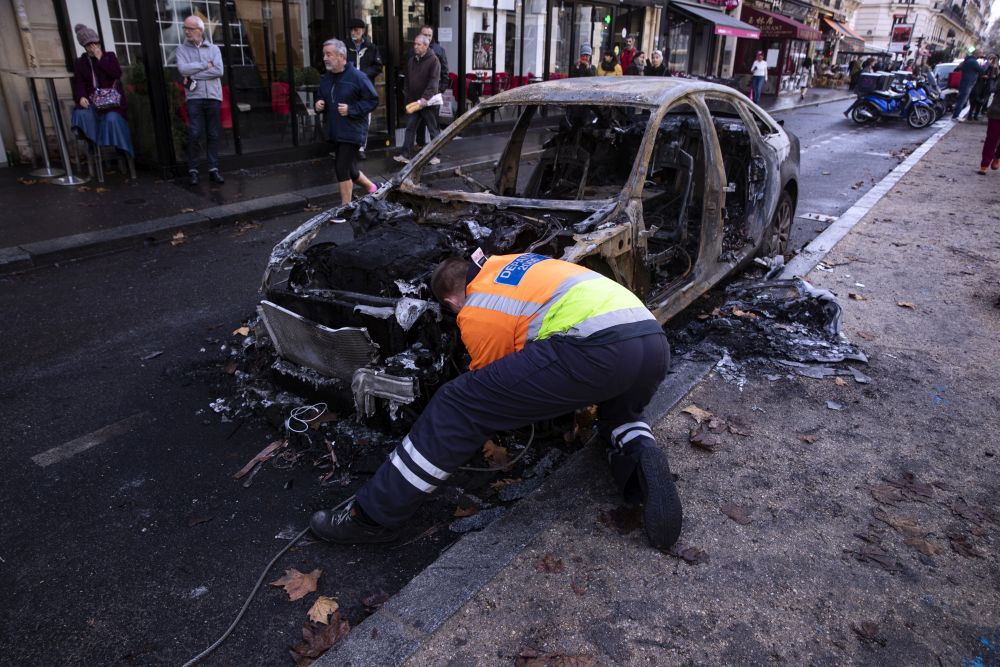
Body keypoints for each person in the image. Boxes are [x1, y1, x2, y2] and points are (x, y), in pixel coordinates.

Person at [310, 253, 683, 550]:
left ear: (452, 299)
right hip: (650, 341)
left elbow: (491, 389)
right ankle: (639, 452)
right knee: (618, 413)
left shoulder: (476, 310)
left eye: (452, 311)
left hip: (594, 350)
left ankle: (373, 517)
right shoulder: (513, 263)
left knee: (458, 404)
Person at [315, 39, 379, 205]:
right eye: (324, 54)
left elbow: (372, 100)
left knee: (341, 168)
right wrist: (319, 103)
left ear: (341, 56)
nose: (325, 58)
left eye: (329, 54)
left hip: (352, 130)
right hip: (335, 130)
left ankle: (346, 208)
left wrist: (351, 109)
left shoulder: (358, 77)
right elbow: (321, 94)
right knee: (350, 169)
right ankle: (373, 188)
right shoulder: (327, 78)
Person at [70, 23, 134, 165]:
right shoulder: (81, 62)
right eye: (89, 45)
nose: (93, 47)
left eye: (95, 43)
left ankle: (121, 150)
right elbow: (79, 82)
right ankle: (93, 143)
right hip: (93, 103)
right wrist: (81, 97)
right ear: (84, 46)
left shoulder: (109, 56)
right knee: (81, 114)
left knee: (112, 119)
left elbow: (116, 73)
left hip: (112, 104)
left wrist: (101, 59)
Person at [176, 15, 224, 185]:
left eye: (190, 28)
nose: (186, 31)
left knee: (213, 134)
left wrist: (193, 72)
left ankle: (213, 169)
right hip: (194, 97)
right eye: (185, 28)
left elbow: (219, 71)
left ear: (200, 30)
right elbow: (183, 69)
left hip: (213, 97)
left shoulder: (214, 49)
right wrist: (205, 65)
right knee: (195, 133)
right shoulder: (182, 50)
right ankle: (193, 170)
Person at [395, 34, 442, 164]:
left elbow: (433, 83)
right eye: (414, 44)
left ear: (426, 46)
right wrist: (407, 95)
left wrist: (424, 99)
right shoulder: (412, 60)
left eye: (418, 44)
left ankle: (435, 155)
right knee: (410, 127)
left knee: (432, 129)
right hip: (414, 101)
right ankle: (405, 154)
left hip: (427, 102)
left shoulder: (434, 60)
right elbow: (407, 81)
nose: (415, 46)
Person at [345, 18, 383, 160]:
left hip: (365, 89)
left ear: (363, 31)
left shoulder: (371, 47)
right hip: (349, 88)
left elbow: (378, 66)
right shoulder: (344, 46)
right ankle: (348, 147)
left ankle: (361, 147)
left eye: (357, 30)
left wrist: (363, 73)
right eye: (352, 30)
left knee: (365, 118)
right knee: (348, 116)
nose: (354, 32)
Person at [413, 25, 450, 152]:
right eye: (425, 35)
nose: (427, 37)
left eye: (429, 35)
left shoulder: (439, 50)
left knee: (433, 123)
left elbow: (445, 71)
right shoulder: (416, 49)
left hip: (433, 93)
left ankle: (435, 148)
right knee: (419, 123)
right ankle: (420, 144)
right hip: (418, 93)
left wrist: (441, 89)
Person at [951, 50, 986, 120]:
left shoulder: (967, 60)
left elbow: (957, 69)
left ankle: (956, 114)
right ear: (977, 54)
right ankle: (955, 116)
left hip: (965, 82)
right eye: (981, 53)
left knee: (962, 100)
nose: (981, 55)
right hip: (968, 83)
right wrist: (985, 64)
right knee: (962, 100)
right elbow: (982, 71)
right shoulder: (973, 62)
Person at [976, 85, 1000, 175]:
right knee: (991, 139)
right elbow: (992, 88)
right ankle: (984, 164)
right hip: (997, 112)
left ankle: (997, 156)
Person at [969, 55, 998, 121]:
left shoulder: (995, 67)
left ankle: (975, 115)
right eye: (991, 59)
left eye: (993, 60)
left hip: (987, 86)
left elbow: (995, 76)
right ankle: (971, 114)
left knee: (981, 101)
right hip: (980, 85)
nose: (992, 61)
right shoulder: (985, 65)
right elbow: (980, 73)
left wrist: (990, 76)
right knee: (975, 100)